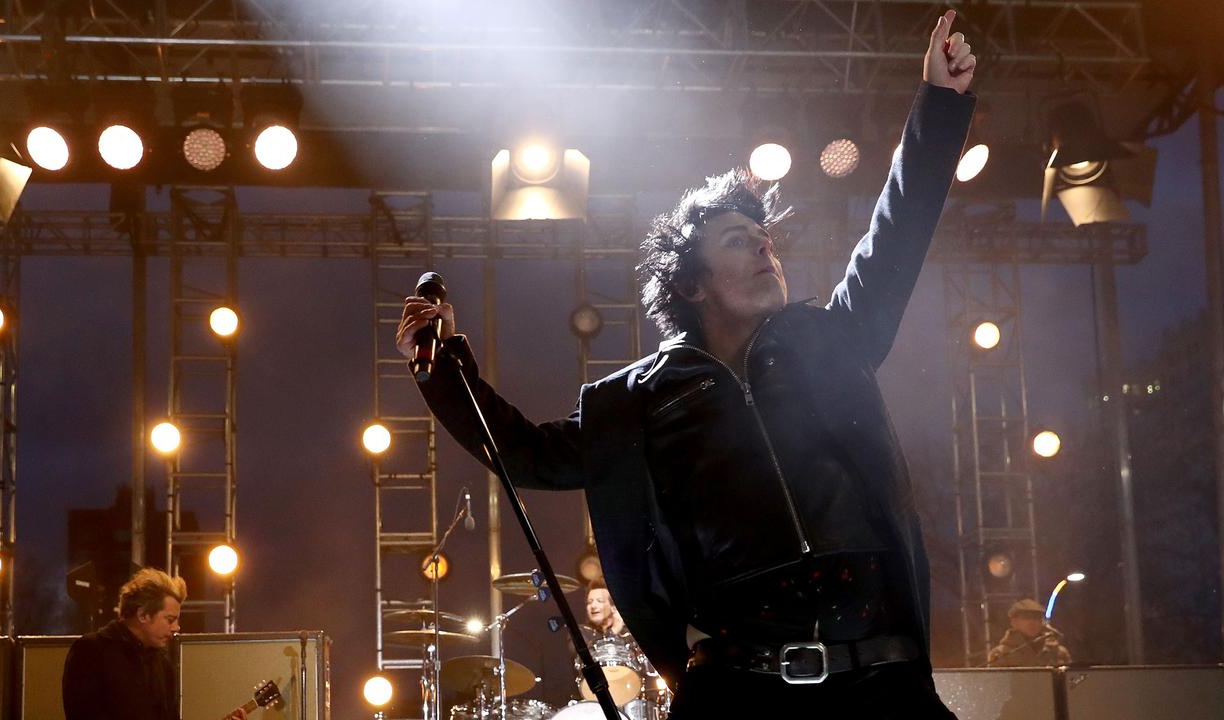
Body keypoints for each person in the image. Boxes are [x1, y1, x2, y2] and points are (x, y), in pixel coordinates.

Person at [398, 10, 975, 718]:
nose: (766, 248)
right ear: (692, 285)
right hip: (738, 689)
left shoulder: (833, 339)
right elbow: (527, 453)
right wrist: (442, 368)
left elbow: (899, 230)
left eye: (767, 239)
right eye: (740, 240)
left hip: (880, 686)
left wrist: (940, 106)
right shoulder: (636, 400)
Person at [62, 567, 247, 720]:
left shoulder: (162, 665)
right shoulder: (91, 652)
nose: (177, 627)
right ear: (143, 615)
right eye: (169, 619)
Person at [987, 598, 1073, 668]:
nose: (1032, 622)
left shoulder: (1058, 652)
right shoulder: (1000, 654)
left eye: (1036, 618)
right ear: (1014, 622)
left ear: (1042, 622)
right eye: (1026, 617)